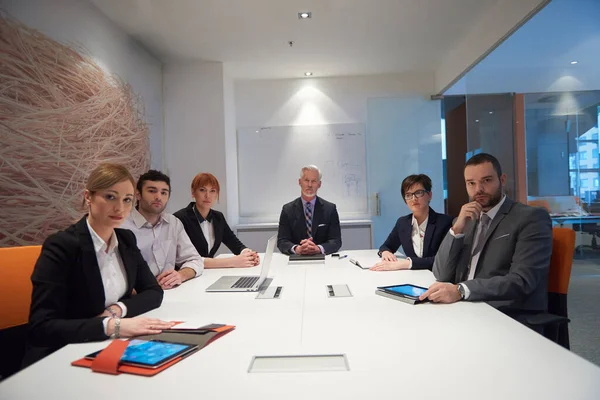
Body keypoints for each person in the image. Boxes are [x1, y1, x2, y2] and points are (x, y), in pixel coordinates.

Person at [25, 164, 173, 366]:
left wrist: (117, 310)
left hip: (110, 347)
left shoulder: (126, 239)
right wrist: (113, 326)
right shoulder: (62, 245)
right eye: (110, 197)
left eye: (127, 200)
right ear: (88, 197)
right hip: (62, 354)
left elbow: (154, 292)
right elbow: (42, 327)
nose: (120, 208)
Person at [421, 153, 552, 312]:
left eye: (487, 181)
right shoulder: (465, 220)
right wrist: (456, 230)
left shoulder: (530, 218)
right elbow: (441, 274)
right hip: (465, 306)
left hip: (506, 313)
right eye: (471, 183)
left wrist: (461, 290)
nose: (479, 190)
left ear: (502, 180)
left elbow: (522, 280)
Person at [120, 170, 203, 289]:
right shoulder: (122, 226)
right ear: (138, 194)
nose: (158, 197)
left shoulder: (173, 223)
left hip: (170, 292)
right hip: (139, 295)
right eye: (152, 191)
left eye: (164, 192)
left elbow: (195, 259)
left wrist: (180, 275)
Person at [174, 173, 260, 268]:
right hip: (186, 275)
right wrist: (232, 262)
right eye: (202, 190)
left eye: (212, 191)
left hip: (207, 274)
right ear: (193, 192)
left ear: (217, 194)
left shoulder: (218, 217)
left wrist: (248, 254)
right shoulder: (180, 218)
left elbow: (234, 243)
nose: (208, 196)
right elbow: (187, 259)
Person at [371, 174, 453, 271]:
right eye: (408, 195)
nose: (414, 198)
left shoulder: (444, 222)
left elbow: (442, 260)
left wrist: (407, 263)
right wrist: (385, 252)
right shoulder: (403, 223)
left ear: (429, 195)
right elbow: (386, 246)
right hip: (413, 276)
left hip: (436, 278)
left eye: (418, 193)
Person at [277, 165, 342, 255]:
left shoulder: (330, 209)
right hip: (296, 261)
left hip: (323, 260)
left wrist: (318, 248)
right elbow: (282, 241)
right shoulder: (287, 210)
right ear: (300, 182)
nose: (310, 185)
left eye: (314, 181)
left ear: (319, 184)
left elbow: (336, 241)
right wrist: (297, 249)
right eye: (306, 180)